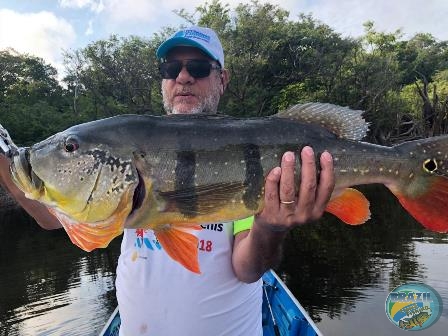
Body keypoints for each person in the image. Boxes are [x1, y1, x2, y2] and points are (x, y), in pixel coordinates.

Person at [0, 26, 335, 335]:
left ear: (222, 78)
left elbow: (247, 269)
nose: (183, 77)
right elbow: (47, 216)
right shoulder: (132, 146)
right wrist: (4, 159)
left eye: (199, 67)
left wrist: (271, 227)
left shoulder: (247, 149)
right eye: (171, 69)